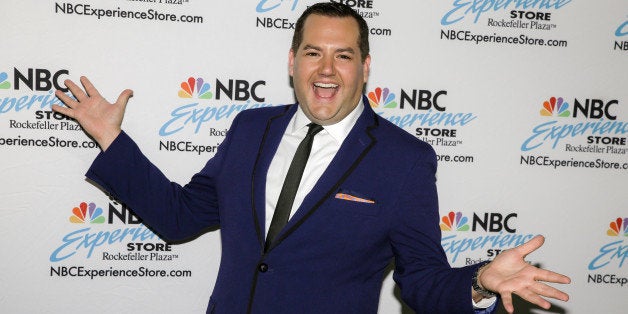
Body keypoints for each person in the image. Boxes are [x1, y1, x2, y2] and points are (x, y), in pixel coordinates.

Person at [52, 2, 570, 314]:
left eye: (343, 55)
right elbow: (181, 216)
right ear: (292, 60)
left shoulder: (405, 160)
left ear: (365, 67)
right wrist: (111, 139)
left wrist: (478, 282)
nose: (327, 69)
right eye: (313, 52)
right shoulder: (251, 128)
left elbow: (420, 280)